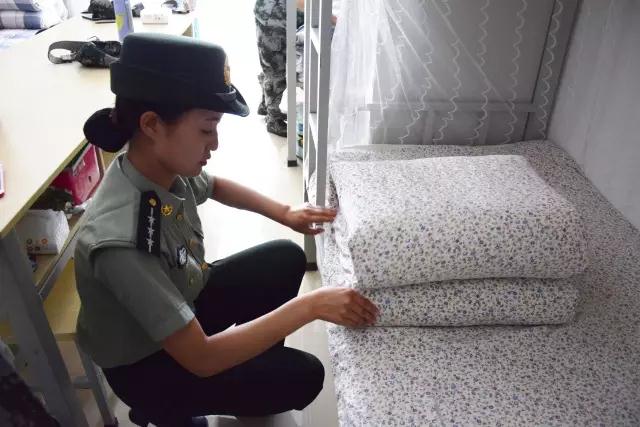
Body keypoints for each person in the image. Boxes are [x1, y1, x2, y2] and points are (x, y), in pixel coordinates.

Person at [77, 33, 378, 427]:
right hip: (147, 364)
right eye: (206, 129)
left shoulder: (156, 167)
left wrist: (285, 212)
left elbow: (215, 186)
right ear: (151, 124)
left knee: (284, 258)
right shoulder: (123, 242)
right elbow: (202, 358)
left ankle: (246, 378)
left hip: (182, 303)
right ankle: (168, 407)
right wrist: (311, 306)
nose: (215, 144)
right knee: (301, 375)